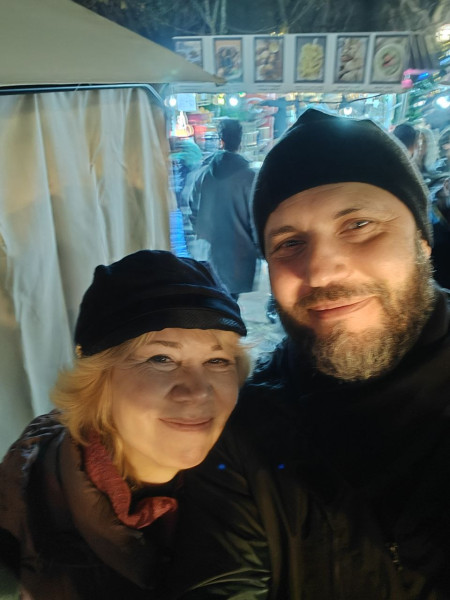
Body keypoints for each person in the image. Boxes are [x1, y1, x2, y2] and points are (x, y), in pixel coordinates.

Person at [170, 109, 450, 599]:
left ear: (423, 241)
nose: (319, 271)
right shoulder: (246, 432)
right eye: (289, 243)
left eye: (358, 224)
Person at [0, 249, 249, 599]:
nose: (197, 391)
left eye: (217, 360)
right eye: (161, 358)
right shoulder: (23, 507)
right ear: (98, 381)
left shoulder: (253, 481)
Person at [188, 118, 259, 300]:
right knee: (232, 299)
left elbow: (193, 210)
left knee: (219, 297)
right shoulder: (250, 177)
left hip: (213, 251)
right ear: (240, 141)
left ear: (221, 140)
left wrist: (204, 232)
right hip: (241, 254)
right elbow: (257, 217)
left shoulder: (204, 174)